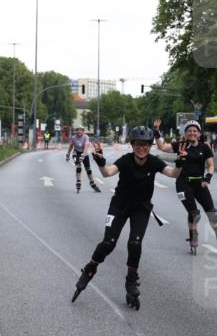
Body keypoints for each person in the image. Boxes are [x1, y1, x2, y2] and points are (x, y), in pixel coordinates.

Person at [72, 125, 183, 310]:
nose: (141, 148)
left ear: (150, 146)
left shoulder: (154, 162)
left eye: (145, 145)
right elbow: (107, 172)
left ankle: (131, 279)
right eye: (138, 144)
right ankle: (90, 268)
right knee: (108, 243)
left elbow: (173, 174)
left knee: (135, 244)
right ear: (132, 145)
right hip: (119, 206)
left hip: (141, 209)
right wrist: (100, 161)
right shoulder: (125, 160)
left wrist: (179, 162)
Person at [153, 118, 217, 255]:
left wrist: (207, 177)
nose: (192, 133)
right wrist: (156, 131)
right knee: (194, 213)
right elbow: (162, 147)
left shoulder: (205, 147)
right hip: (183, 184)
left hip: (199, 184)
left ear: (199, 133)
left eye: (194, 131)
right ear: (185, 133)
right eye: (189, 131)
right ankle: (193, 236)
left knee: (213, 213)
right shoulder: (180, 145)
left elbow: (210, 165)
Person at [66, 127, 101, 193]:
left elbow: (86, 146)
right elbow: (71, 146)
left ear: (83, 131)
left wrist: (83, 155)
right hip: (76, 153)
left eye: (80, 130)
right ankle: (78, 182)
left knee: (88, 170)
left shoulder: (86, 137)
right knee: (79, 167)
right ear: (76, 131)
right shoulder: (73, 137)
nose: (79, 131)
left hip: (84, 153)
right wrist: (68, 154)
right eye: (77, 130)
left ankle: (92, 183)